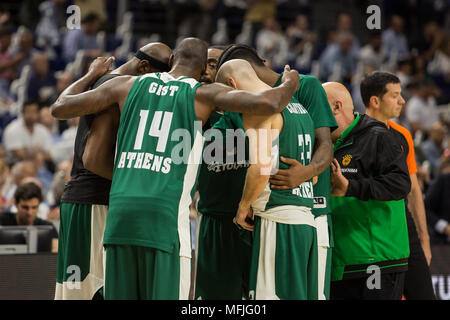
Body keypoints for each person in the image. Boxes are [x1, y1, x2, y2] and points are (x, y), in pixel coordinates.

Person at [50, 37, 300, 300]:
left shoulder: (125, 85)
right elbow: (271, 103)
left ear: (171, 62)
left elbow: (60, 107)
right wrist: (290, 81)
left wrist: (91, 74)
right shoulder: (202, 95)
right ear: (205, 71)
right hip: (164, 220)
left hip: (120, 219)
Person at [216, 44, 337, 300]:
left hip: (278, 218)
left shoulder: (260, 108)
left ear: (232, 84)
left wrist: (242, 207)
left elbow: (261, 168)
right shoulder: (297, 107)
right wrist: (311, 172)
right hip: (306, 220)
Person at [54, 42, 172, 300]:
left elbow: (62, 103)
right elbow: (94, 159)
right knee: (87, 290)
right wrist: (136, 182)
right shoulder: (117, 89)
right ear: (144, 67)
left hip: (88, 201)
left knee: (87, 289)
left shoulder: (107, 82)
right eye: (161, 77)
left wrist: (91, 74)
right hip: (93, 202)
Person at [327, 81, 411, 300]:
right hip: (340, 263)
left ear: (337, 107)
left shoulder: (378, 136)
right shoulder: (325, 145)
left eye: (318, 108)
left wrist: (350, 187)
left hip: (377, 261)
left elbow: (401, 183)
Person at [360, 71, 435, 300]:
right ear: (375, 101)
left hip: (405, 228)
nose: (402, 101)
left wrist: (424, 238)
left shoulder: (402, 135)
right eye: (395, 96)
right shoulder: (354, 134)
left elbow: (413, 190)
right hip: (373, 233)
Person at [194, 46, 252, 300]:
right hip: (212, 221)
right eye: (203, 65)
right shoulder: (191, 112)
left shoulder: (251, 110)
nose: (207, 71)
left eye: (214, 64)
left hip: (251, 220)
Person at [3, 100, 52, 165]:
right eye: (28, 111)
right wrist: (38, 151)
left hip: (41, 165)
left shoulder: (42, 130)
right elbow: (20, 155)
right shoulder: (12, 129)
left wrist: (29, 152)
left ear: (38, 113)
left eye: (34, 111)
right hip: (16, 165)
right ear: (23, 113)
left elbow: (49, 155)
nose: (31, 115)